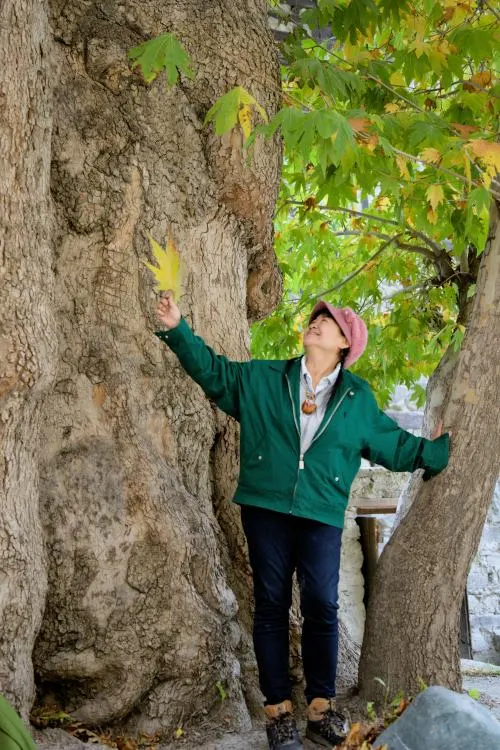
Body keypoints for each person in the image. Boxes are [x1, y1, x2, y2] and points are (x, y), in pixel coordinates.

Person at [155, 294, 450, 750]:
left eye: (327, 322)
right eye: (314, 319)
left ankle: (320, 708)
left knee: (321, 605)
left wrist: (433, 453)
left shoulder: (357, 399)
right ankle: (277, 713)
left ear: (345, 343)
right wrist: (178, 329)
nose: (315, 324)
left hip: (321, 512)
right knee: (271, 604)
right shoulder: (265, 377)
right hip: (266, 507)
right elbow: (214, 373)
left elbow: (392, 444)